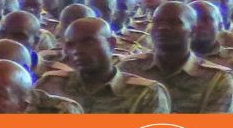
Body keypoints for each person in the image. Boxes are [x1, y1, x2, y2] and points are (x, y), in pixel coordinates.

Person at [118, 2, 233, 114]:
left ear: (193, 31)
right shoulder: (129, 67)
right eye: (157, 22)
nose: (162, 28)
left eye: (174, 23)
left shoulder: (217, 78)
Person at [37, 18, 171, 114]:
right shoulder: (50, 84)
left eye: (88, 42)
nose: (77, 51)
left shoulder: (144, 93)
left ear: (111, 43)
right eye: (71, 45)